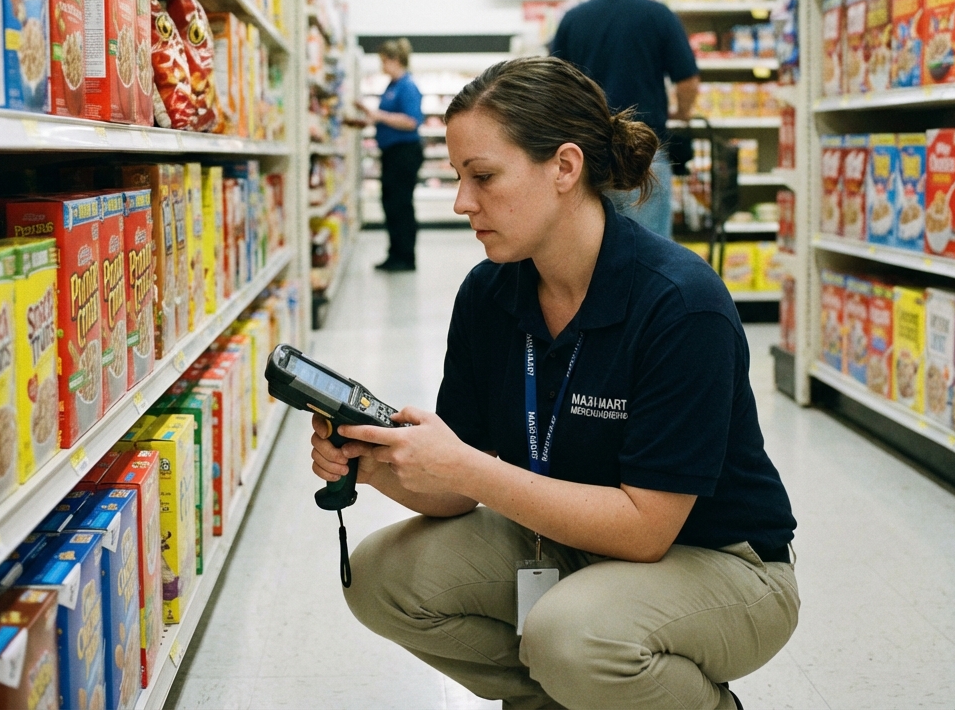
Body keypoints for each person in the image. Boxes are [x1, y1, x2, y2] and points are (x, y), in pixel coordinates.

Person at [311, 57, 799, 710]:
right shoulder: (489, 293)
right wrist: (379, 465)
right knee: (379, 576)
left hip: (718, 561)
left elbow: (645, 530)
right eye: (459, 177)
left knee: (574, 636)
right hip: (565, 542)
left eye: (482, 176)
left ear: (565, 168)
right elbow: (455, 496)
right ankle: (561, 699)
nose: (462, 202)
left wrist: (466, 469)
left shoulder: (680, 303)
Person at [550, 0, 700, 238]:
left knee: (591, 246)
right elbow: (687, 80)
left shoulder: (573, 19)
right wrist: (682, 112)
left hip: (588, 154)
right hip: (644, 152)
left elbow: (555, 85)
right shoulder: (660, 16)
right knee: (650, 249)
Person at [358, 38, 424, 272]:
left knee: (400, 204)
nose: (382, 66)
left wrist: (378, 116)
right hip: (392, 153)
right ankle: (395, 253)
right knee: (391, 203)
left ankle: (405, 257)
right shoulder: (392, 85)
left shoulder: (407, 86)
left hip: (404, 153)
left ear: (395, 60)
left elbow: (411, 120)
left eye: (384, 61)